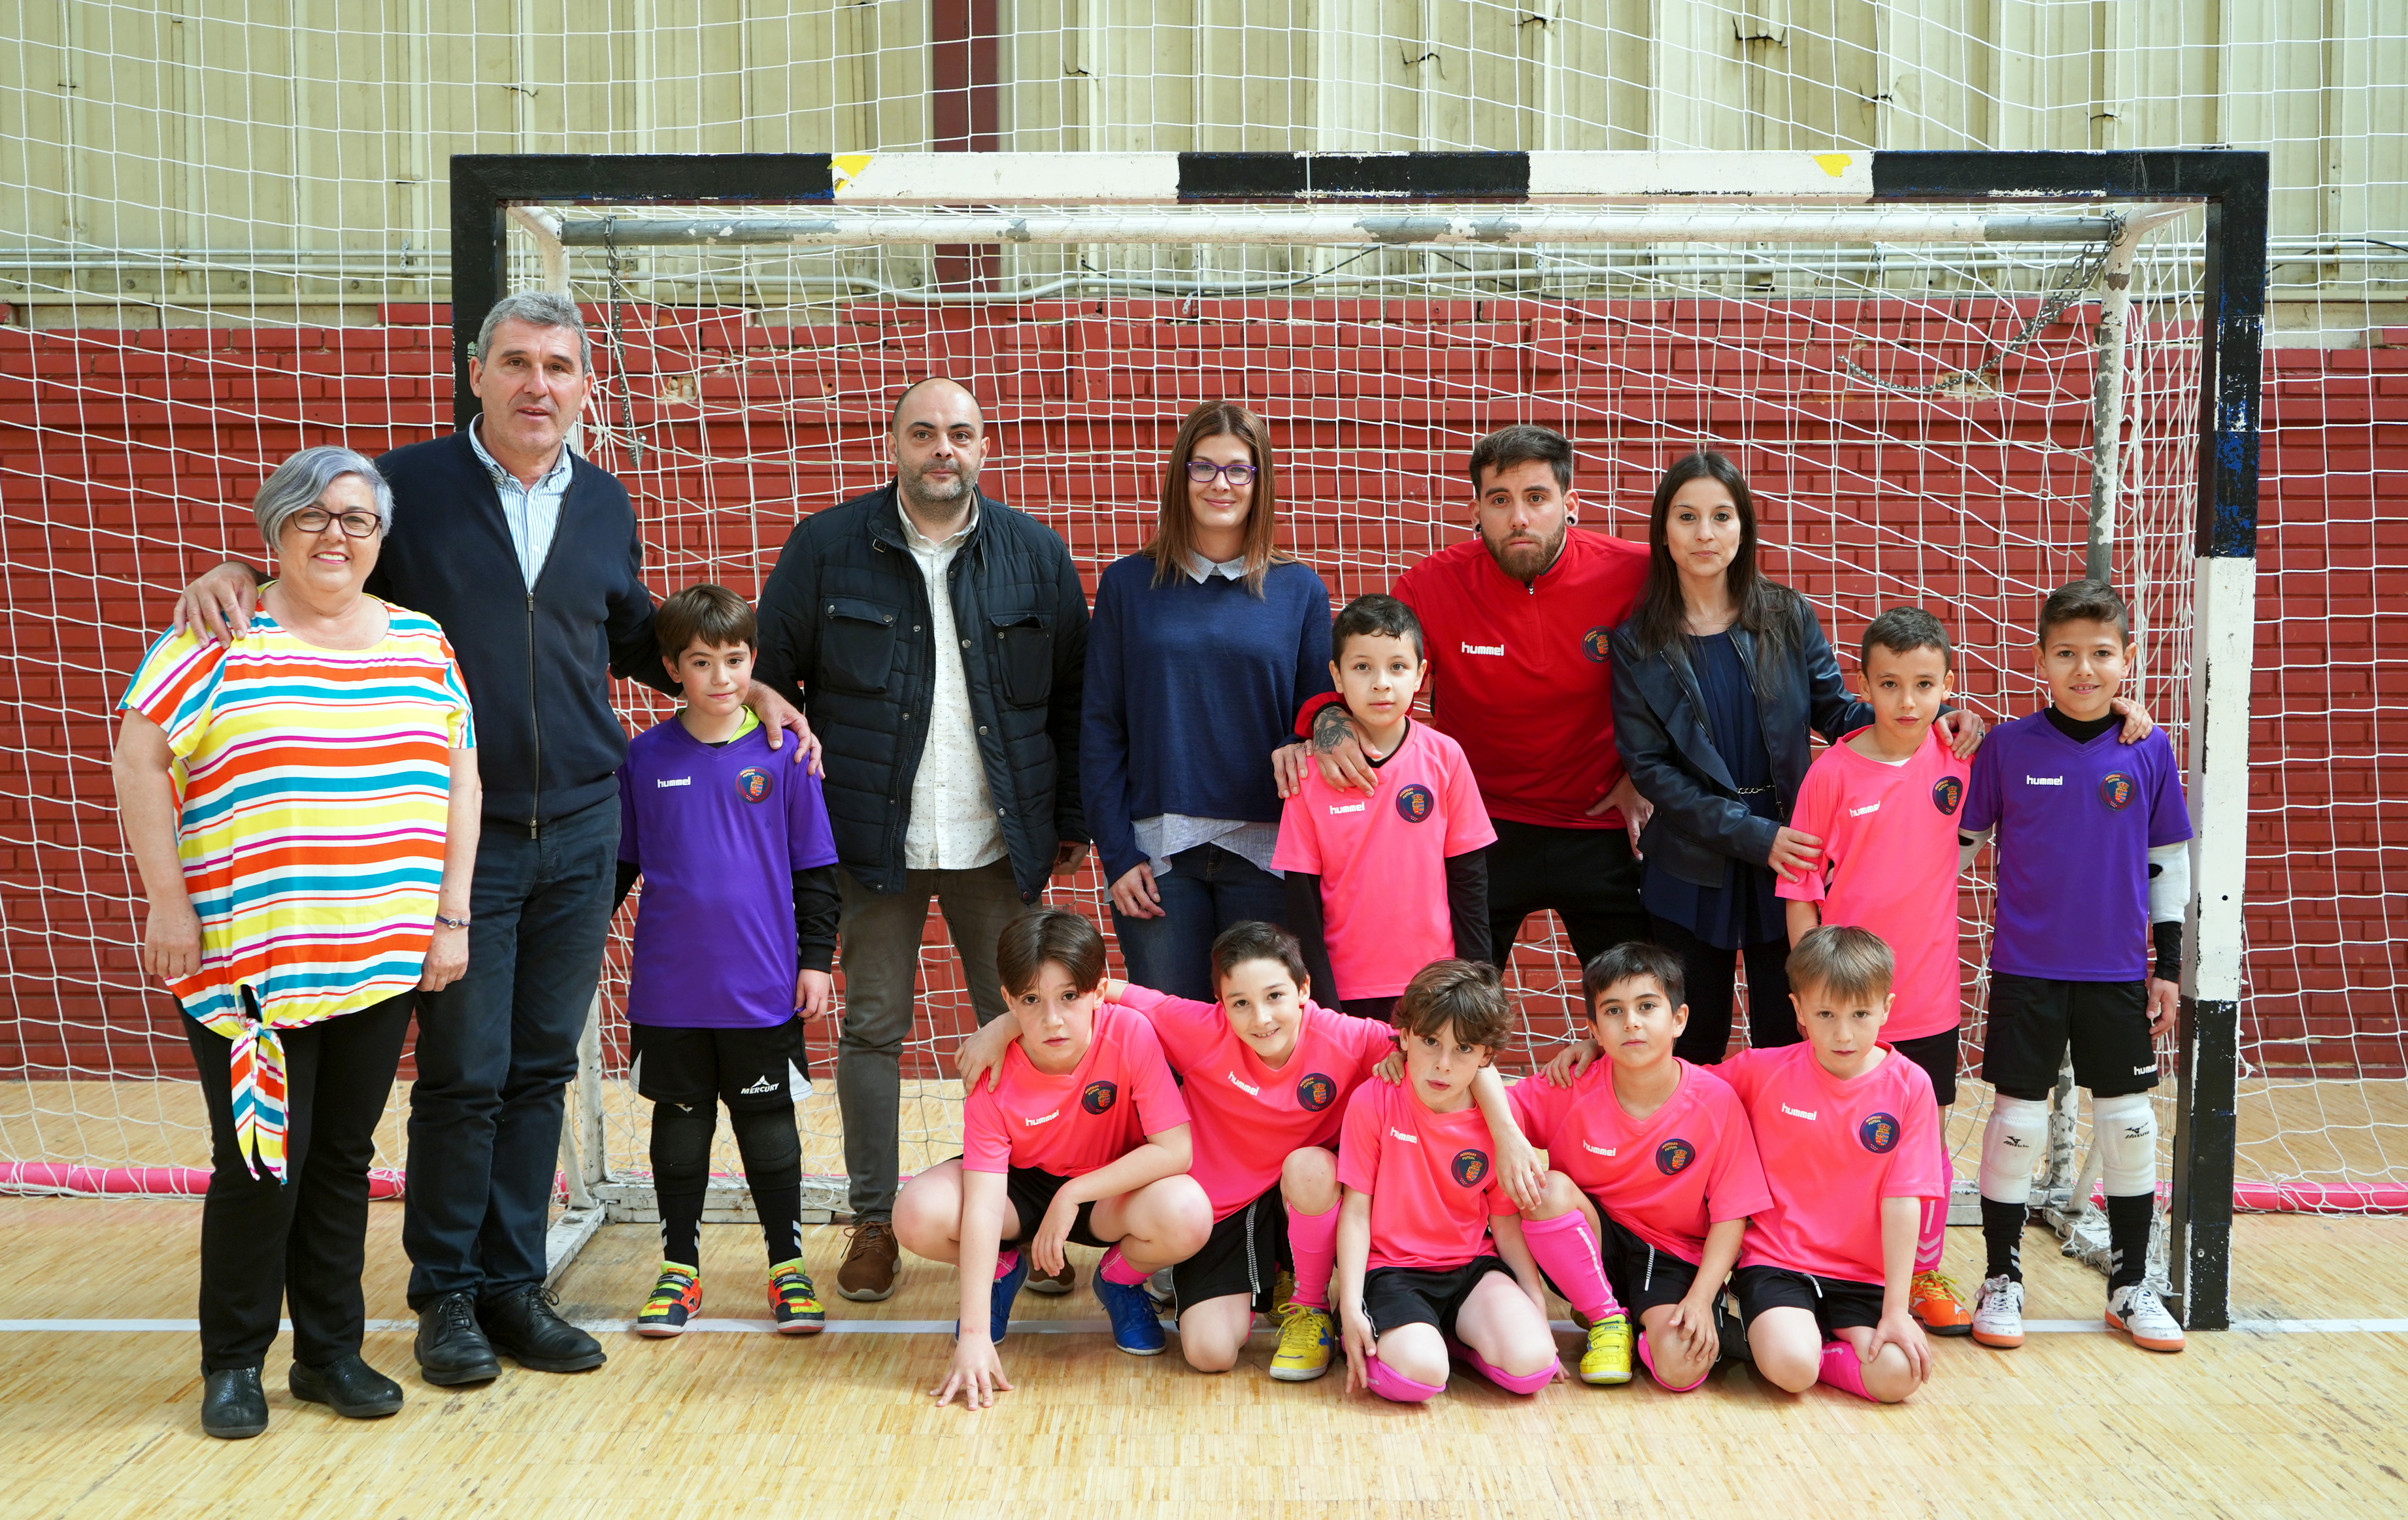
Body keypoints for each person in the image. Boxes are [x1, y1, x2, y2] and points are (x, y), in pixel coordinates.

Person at [169, 292, 815, 1387]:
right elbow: (324, 565)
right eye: (516, 362)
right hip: (460, 835)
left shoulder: (603, 500)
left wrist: (746, 691)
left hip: (583, 822)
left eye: (559, 366)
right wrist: (238, 569)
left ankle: (516, 1285)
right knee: (464, 1074)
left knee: (538, 1068)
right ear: (477, 373)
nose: (537, 384)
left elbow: (633, 633)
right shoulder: (406, 487)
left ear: (585, 387)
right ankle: (449, 1296)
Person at [114, 447, 479, 1437]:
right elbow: (140, 761)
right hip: (250, 966)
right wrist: (167, 902)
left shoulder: (422, 642)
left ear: (379, 538)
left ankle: (329, 1355)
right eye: (311, 515)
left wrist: (450, 916)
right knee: (260, 1160)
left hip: (378, 957)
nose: (335, 534)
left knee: (343, 1160)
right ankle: (234, 1363)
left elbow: (461, 776)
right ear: (273, 531)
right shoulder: (215, 636)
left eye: (356, 518)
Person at [754, 377, 1092, 1304]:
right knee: (873, 1028)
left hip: (998, 840)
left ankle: (1027, 1219)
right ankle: (874, 1219)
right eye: (924, 432)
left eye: (961, 433)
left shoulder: (1034, 554)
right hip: (872, 842)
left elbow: (1075, 697)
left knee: (1027, 1030)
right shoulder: (826, 548)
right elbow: (767, 677)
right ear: (894, 443)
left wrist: (1068, 819)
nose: (944, 447)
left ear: (984, 447)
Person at [954, 919, 1543, 1382]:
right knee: (1209, 1353)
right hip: (1224, 1208)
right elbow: (1097, 993)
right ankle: (1126, 1277)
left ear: (1304, 991)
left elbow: (1451, 1044)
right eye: (1240, 1003)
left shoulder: (1347, 1037)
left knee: (1310, 1168)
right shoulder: (1197, 1029)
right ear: (1220, 1003)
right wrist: (1004, 1026)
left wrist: (1508, 1134)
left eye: (1276, 996)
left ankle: (1311, 1306)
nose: (1261, 1018)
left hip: (1299, 1199)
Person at [1610, 451, 1985, 1068]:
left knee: (1791, 1042)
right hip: (1694, 864)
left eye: (1721, 516)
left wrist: (1930, 716)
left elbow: (1837, 709)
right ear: (1664, 530)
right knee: (1691, 1045)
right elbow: (1650, 769)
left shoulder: (1785, 615)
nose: (1705, 533)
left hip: (1793, 861)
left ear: (1743, 527)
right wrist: (1757, 837)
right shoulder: (1636, 643)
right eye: (1687, 516)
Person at [1280, 425, 1653, 989]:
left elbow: (1692, 675)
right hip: (1482, 831)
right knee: (1458, 1005)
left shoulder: (1634, 572)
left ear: (1570, 503)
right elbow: (1369, 670)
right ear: (1476, 510)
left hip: (1600, 823)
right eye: (1500, 501)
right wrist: (1324, 722)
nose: (1519, 518)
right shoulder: (1431, 586)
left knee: (1639, 1000)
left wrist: (1644, 776)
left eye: (1536, 498)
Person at [1962, 580, 2194, 1355]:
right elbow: (1955, 844)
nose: (2084, 668)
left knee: (2129, 1123)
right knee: (2016, 1124)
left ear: (2128, 659)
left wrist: (2169, 965)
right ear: (2041, 659)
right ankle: (2002, 1277)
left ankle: (2130, 1285)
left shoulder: (2147, 747)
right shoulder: (2008, 747)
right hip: (2026, 969)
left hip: (2117, 972)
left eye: (2101, 653)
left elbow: (2166, 863)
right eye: (2066, 653)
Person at [610, 586, 841, 1338]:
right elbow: (619, 869)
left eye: (735, 660)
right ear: (672, 668)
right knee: (680, 1131)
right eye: (702, 662)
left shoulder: (786, 755)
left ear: (754, 661)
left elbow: (815, 870)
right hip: (669, 990)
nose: (721, 677)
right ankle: (679, 1269)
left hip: (763, 985)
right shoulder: (644, 757)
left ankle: (788, 1266)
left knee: (768, 1126)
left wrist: (815, 960)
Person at [895, 909, 1212, 1407]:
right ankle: (1001, 1270)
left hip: (1106, 1190)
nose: (1052, 1020)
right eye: (1031, 1000)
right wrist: (972, 1335)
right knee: (916, 1212)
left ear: (1098, 991)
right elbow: (984, 1205)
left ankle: (1119, 1280)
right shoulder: (991, 1064)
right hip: (1018, 1190)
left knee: (1187, 1211)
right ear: (1008, 1001)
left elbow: (1175, 1150)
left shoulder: (1129, 1033)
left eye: (1069, 996)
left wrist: (1074, 1195)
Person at [1084, 402, 1333, 1000]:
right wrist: (1117, 855)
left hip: (1269, 856)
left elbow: (1319, 715)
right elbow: (1101, 728)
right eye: (1204, 467)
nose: (1221, 483)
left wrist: (1306, 739)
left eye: (1238, 469)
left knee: (1263, 1033)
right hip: (1159, 861)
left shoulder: (1299, 589)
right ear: (1182, 476)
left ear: (1259, 480)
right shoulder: (1127, 584)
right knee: (1173, 1034)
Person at [1775, 606, 1977, 1337]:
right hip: (1845, 1006)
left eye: (1924, 685)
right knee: (1839, 1140)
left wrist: (2129, 711)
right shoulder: (1831, 772)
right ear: (1863, 685)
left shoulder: (1960, 755)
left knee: (1925, 1143)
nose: (1907, 701)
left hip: (1928, 995)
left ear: (1947, 686)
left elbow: (2051, 739)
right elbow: (1800, 892)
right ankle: (1829, 1264)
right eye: (1889, 684)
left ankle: (1922, 1273)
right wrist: (1811, 992)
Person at [1520, 942, 1771, 1393]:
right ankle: (1606, 1317)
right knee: (1545, 1190)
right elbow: (1479, 1100)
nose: (1631, 1022)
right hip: (1595, 1243)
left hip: (1671, 1257)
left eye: (1647, 1006)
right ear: (1595, 1030)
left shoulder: (1714, 1100)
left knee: (1680, 1367)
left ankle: (1646, 1325)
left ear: (1679, 1019)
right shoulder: (1570, 1083)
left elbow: (1732, 1216)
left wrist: (1700, 1300)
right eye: (1613, 1011)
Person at [1718, 927, 1942, 1405]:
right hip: (1779, 1263)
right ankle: (1779, 1340)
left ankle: (1812, 1344)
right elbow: (1678, 1087)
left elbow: (1904, 1200)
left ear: (1886, 1008)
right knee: (1792, 1368)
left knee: (1898, 1376)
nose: (1844, 1034)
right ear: (1798, 1011)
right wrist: (1598, 1054)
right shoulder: (1762, 1070)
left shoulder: (1911, 1086)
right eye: (1825, 1015)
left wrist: (1897, 1311)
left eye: (1861, 1014)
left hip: (1862, 1277)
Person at [1334, 959, 1560, 1404]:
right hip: (1393, 1270)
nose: (1442, 1065)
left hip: (1470, 1267)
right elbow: (1356, 1213)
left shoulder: (1501, 1121)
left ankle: (1455, 1337)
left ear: (1486, 1056)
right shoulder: (1374, 1100)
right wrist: (1350, 1306)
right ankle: (1410, 1338)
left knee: (1534, 1366)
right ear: (1404, 1037)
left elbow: (1506, 1224)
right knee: (1422, 1374)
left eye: (1463, 1049)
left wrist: (1536, 1305)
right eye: (1430, 1042)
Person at [1273, 595, 1495, 1020]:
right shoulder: (1308, 772)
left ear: (1420, 675)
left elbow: (1470, 883)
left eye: (1397, 666)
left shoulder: (1445, 757)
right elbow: (1302, 906)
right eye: (1362, 667)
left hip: (1438, 987)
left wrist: (1478, 985)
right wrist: (1323, 1005)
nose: (1381, 683)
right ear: (1336, 676)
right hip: (1345, 991)